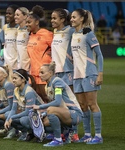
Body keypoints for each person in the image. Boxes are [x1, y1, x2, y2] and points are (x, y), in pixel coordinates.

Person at [70, 8, 104, 144]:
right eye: (71, 17)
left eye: (74, 17)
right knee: (82, 105)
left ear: (82, 19)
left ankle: (98, 136)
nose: (71, 19)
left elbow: (100, 55)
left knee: (92, 104)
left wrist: (100, 73)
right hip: (77, 75)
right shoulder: (73, 34)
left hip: (89, 74)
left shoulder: (88, 34)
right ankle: (88, 134)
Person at [32, 62, 83, 147]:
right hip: (65, 113)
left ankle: (58, 139)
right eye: (39, 72)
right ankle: (67, 133)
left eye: (42, 72)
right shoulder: (47, 86)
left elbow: (57, 102)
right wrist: (43, 114)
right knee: (44, 122)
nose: (39, 75)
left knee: (50, 110)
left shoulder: (57, 81)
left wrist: (40, 107)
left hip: (75, 114)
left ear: (51, 73)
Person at [50, 8, 79, 142]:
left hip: (68, 72)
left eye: (55, 18)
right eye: (51, 18)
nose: (52, 20)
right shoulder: (55, 32)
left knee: (70, 103)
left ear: (63, 19)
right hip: (57, 73)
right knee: (60, 104)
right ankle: (65, 131)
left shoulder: (70, 31)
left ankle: (75, 133)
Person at [4, 69, 44, 141]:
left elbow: (28, 111)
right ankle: (25, 133)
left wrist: (12, 118)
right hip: (30, 115)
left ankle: (39, 132)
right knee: (7, 115)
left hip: (40, 115)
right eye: (12, 78)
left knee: (23, 120)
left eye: (15, 78)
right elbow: (13, 109)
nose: (13, 80)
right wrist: (7, 120)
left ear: (23, 80)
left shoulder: (29, 92)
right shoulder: (16, 90)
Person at [26, 5, 53, 103]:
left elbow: (57, 50)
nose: (27, 25)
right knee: (37, 101)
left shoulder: (46, 34)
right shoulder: (30, 36)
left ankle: (53, 118)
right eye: (26, 23)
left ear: (37, 22)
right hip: (33, 75)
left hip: (43, 74)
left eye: (29, 22)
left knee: (48, 99)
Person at [3, 5, 19, 71]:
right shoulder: (5, 27)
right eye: (6, 13)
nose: (7, 15)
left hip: (17, 65)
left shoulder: (20, 28)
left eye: (10, 13)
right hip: (6, 65)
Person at [15, 7, 30, 71]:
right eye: (15, 15)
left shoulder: (29, 30)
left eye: (17, 15)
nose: (15, 17)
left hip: (27, 66)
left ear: (25, 16)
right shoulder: (17, 30)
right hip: (18, 66)